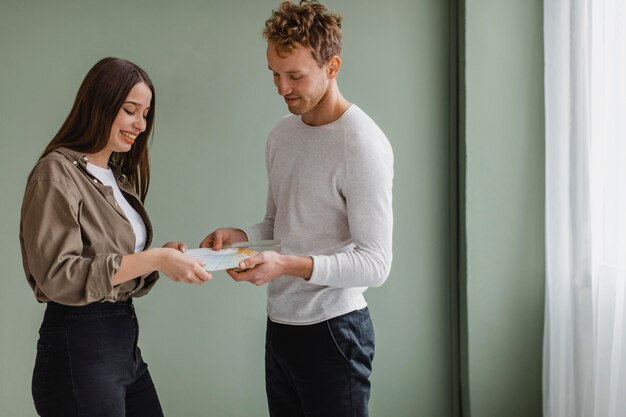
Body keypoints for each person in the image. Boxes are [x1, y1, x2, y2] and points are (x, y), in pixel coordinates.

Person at [200, 2, 393, 416]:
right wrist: (242, 238)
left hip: (336, 334)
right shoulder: (281, 136)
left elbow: (376, 263)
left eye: (295, 76)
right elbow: (278, 224)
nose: (281, 88)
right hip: (281, 328)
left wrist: (287, 266)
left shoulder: (362, 144)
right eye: (274, 73)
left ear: (332, 65)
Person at [19, 57, 212, 417]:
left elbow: (115, 260)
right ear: (100, 104)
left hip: (121, 343)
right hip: (78, 347)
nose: (140, 124)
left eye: (146, 114)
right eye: (130, 110)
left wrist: (163, 255)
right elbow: (58, 275)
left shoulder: (115, 177)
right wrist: (153, 259)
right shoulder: (56, 173)